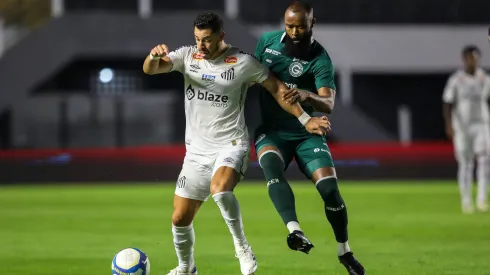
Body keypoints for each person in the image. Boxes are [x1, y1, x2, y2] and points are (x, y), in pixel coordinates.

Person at [143, 12, 331, 275]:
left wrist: (304, 119)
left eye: (207, 40)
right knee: (179, 218)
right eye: (197, 39)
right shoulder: (187, 56)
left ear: (221, 36)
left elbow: (277, 89)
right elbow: (150, 69)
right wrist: (153, 57)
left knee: (220, 189)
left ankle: (242, 247)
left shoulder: (243, 62)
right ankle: (186, 268)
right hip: (196, 153)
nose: (201, 46)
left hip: (231, 145)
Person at [253, 2, 365, 275]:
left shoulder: (320, 59)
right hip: (272, 131)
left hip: (307, 133)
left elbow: (328, 103)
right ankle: (294, 230)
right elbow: (251, 75)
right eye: (289, 25)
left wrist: (307, 95)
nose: (293, 31)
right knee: (271, 166)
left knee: (329, 190)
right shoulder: (267, 44)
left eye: (300, 26)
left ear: (312, 23)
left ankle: (344, 250)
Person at [443, 45, 490, 214]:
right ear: (464, 58)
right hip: (462, 126)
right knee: (466, 163)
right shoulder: (457, 80)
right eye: (470, 57)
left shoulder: (484, 78)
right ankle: (466, 201)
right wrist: (449, 125)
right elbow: (448, 103)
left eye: (476, 58)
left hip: (482, 124)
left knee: (484, 161)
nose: (473, 61)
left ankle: (482, 200)